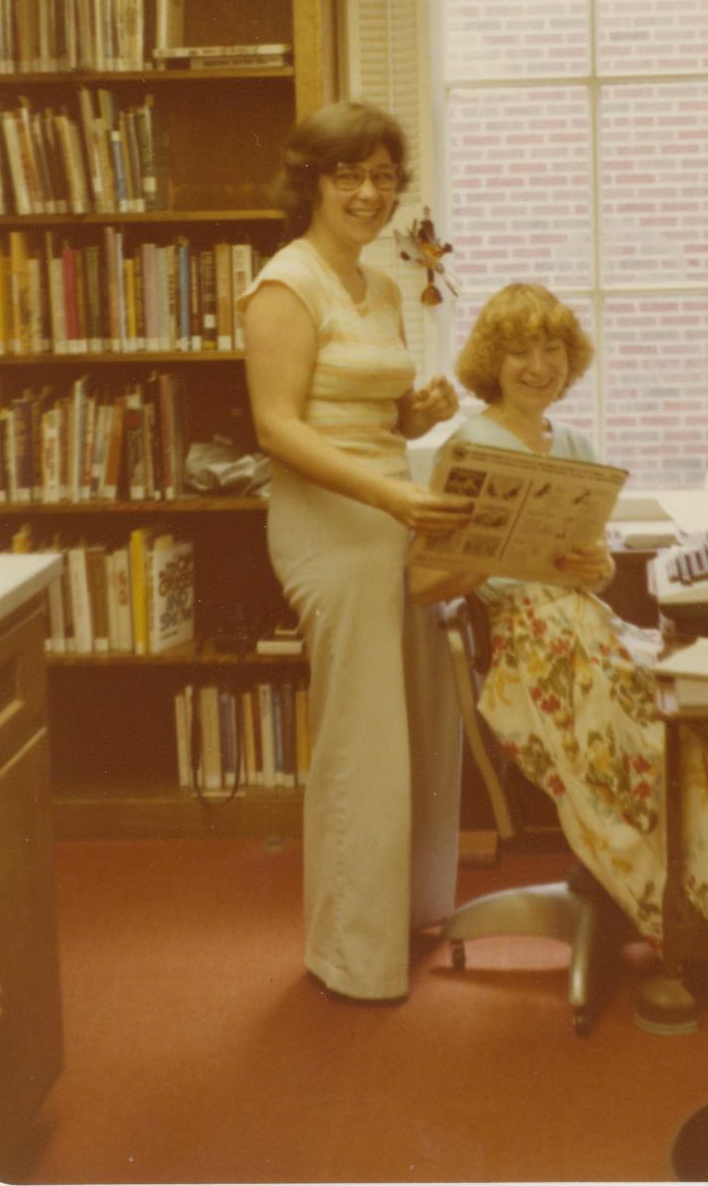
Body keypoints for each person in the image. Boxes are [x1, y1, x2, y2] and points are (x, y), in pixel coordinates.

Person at [409, 283, 708, 951]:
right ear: (492, 361)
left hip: (590, 623)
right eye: (519, 350)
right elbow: (419, 580)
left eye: (552, 348)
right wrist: (498, 554)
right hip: (531, 651)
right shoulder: (469, 445)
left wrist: (595, 567)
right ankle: (693, 919)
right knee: (667, 739)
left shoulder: (576, 441)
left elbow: (598, 565)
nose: (538, 365)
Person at [239, 100, 473, 1002]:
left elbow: (366, 412)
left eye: (382, 175)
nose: (368, 192)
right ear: (312, 181)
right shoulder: (286, 284)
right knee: (364, 741)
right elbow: (277, 428)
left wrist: (414, 418)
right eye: (349, 174)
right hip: (330, 526)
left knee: (415, 722)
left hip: (385, 511)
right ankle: (350, 955)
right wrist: (390, 488)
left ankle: (403, 909)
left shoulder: (373, 286)